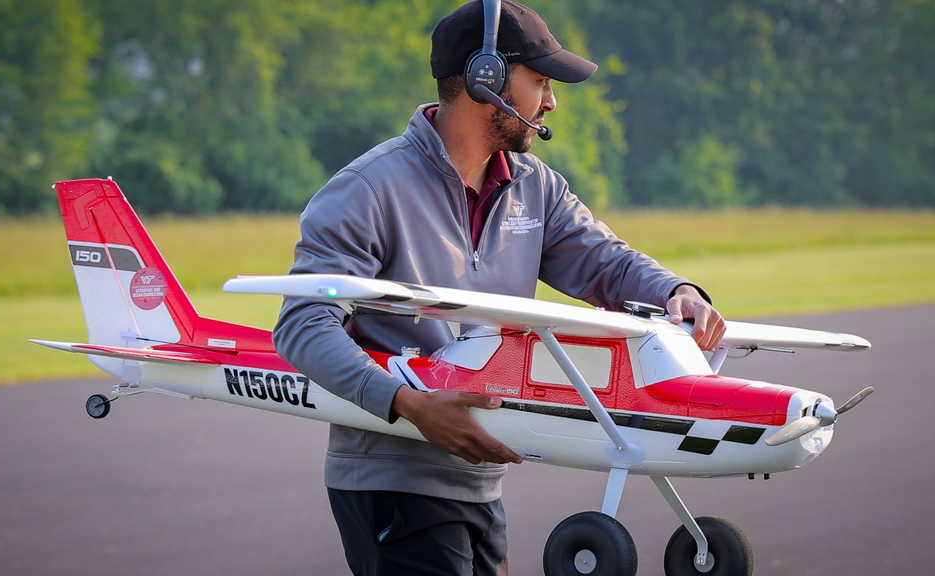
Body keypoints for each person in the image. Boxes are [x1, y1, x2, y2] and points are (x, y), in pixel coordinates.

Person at [272, 1, 726, 574]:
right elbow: (302, 326)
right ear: (484, 79)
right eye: (539, 81)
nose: (551, 101)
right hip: (394, 482)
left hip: (482, 483)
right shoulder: (367, 188)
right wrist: (410, 405)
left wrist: (676, 290)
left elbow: (606, 262)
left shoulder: (536, 185)